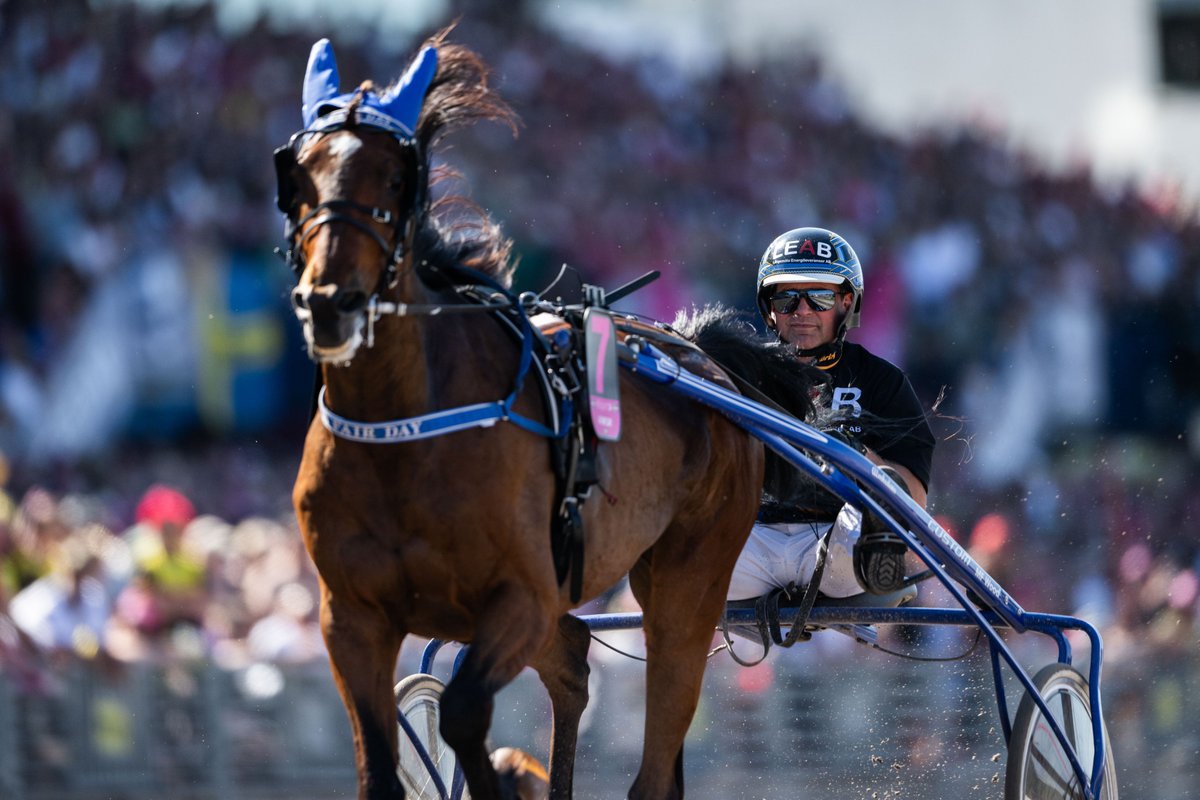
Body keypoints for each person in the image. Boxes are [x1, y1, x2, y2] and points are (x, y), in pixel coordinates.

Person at [726, 226, 935, 601]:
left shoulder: (883, 382)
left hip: (835, 539)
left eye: (819, 297)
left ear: (845, 303)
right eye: (787, 299)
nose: (802, 311)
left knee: (867, 518)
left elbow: (914, 501)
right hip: (751, 539)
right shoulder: (738, 375)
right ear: (769, 308)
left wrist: (856, 457)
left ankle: (876, 548)